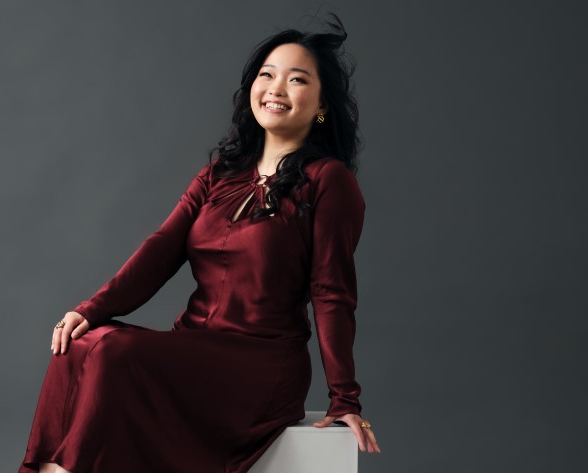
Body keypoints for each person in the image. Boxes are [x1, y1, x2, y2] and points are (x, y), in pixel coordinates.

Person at [19, 14, 380, 473]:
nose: (276, 88)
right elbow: (162, 248)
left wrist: (344, 397)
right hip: (196, 347)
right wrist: (91, 309)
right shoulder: (220, 174)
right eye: (267, 74)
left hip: (260, 367)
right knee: (78, 344)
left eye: (297, 79)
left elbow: (332, 292)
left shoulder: (329, 181)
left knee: (114, 353)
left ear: (322, 103)